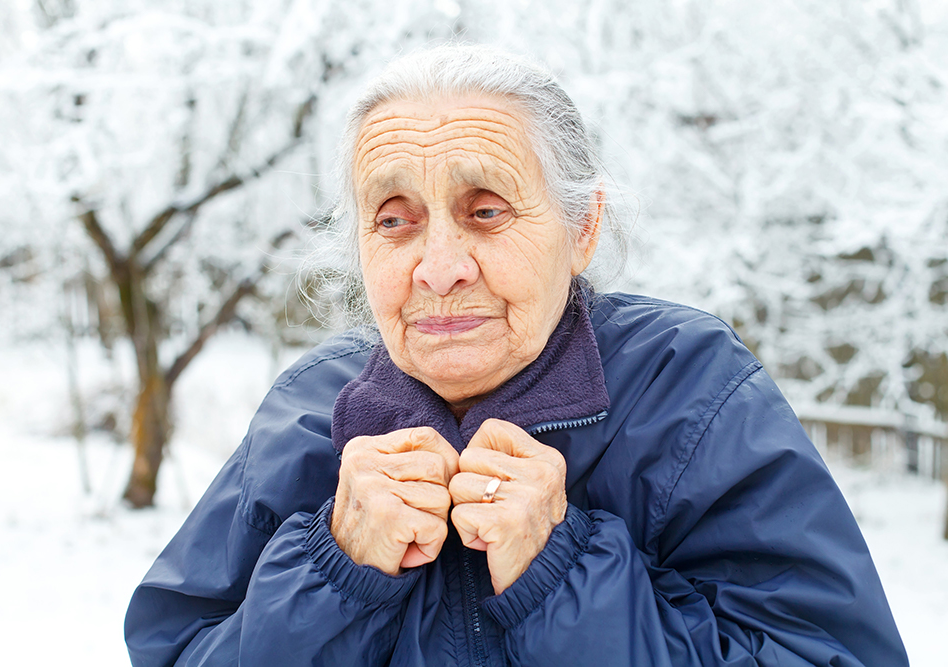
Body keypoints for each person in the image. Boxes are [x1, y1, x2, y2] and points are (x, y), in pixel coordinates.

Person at [124, 45, 908, 666]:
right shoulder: (307, 410)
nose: (438, 266)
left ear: (582, 229)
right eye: (394, 220)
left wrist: (562, 571)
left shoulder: (690, 392)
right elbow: (174, 650)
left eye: (486, 210)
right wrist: (334, 572)